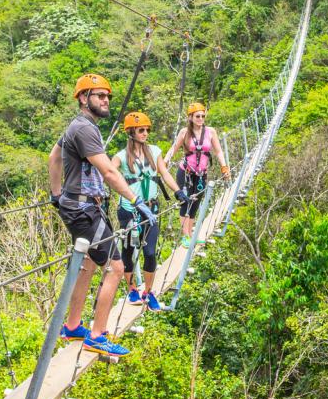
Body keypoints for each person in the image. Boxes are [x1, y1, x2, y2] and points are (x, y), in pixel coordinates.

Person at [48, 74, 157, 357]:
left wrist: (57, 194)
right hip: (85, 210)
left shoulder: (80, 127)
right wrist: (137, 200)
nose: (105, 100)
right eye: (99, 95)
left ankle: (72, 326)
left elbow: (54, 157)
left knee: (88, 263)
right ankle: (97, 335)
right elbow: (109, 172)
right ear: (83, 98)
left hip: (80, 206)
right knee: (116, 268)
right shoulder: (84, 128)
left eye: (107, 96)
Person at [111, 112, 189, 312]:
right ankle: (132, 289)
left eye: (147, 130)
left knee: (150, 252)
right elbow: (109, 173)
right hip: (129, 210)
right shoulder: (120, 157)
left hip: (151, 210)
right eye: (141, 130)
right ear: (130, 132)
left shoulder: (154, 151)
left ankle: (149, 291)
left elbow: (164, 173)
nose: (145, 133)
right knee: (128, 252)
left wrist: (178, 191)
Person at [166, 102, 229, 247]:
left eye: (202, 116)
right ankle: (185, 236)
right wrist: (164, 162)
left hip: (201, 174)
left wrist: (224, 166)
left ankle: (191, 234)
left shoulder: (210, 131)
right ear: (190, 117)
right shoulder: (184, 132)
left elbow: (218, 151)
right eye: (197, 116)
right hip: (186, 173)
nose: (201, 118)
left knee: (195, 203)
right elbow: (173, 149)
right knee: (185, 201)